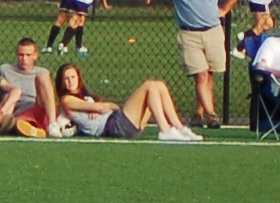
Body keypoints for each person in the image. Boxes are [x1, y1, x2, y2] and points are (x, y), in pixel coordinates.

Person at [140, 0, 242, 126]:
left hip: (213, 30)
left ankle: (199, 112)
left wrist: (225, 9)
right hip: (189, 32)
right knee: (200, 74)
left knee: (209, 74)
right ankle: (212, 115)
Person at [52, 61, 199, 142]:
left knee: (159, 85)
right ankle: (165, 130)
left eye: (73, 77)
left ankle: (180, 128)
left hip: (120, 123)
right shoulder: (67, 100)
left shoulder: (86, 95)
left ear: (79, 78)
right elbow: (101, 108)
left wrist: (98, 107)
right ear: (62, 82)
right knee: (149, 86)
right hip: (113, 126)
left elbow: (113, 106)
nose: (70, 81)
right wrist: (96, 107)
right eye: (66, 78)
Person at [0, 37, 57, 134]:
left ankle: (53, 124)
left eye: (28, 55)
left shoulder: (42, 71)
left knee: (43, 76)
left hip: (36, 106)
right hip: (16, 110)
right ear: (16, 54)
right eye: (21, 55)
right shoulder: (5, 70)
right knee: (9, 97)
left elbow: (48, 98)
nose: (24, 59)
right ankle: (27, 128)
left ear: (35, 55)